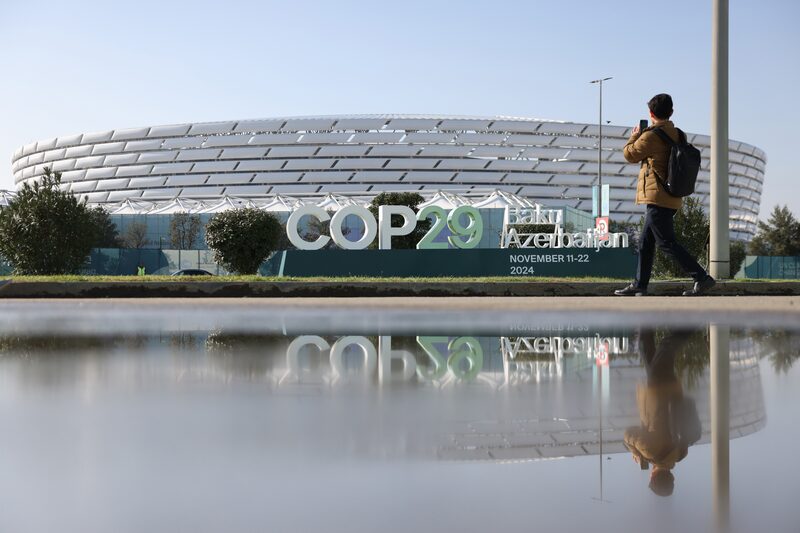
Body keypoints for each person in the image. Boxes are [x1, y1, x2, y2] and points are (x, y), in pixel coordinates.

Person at [615, 93, 716, 296]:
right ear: (671, 112)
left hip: (657, 196)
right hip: (672, 194)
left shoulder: (651, 136)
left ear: (651, 113)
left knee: (666, 243)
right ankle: (639, 284)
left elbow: (629, 154)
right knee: (646, 242)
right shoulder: (678, 134)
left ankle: (701, 277)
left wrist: (635, 134)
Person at [623, 329, 701, 497]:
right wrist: (636, 453)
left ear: (671, 477)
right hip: (657, 391)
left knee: (646, 349)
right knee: (667, 347)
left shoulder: (680, 454)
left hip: (671, 392)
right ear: (652, 476)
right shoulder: (649, 451)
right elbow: (628, 434)